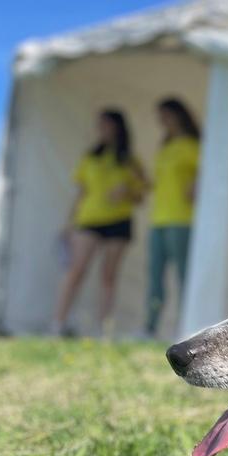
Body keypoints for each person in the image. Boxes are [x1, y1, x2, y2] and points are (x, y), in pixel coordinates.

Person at [52, 109, 146, 337]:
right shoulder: (89, 157)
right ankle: (58, 324)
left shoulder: (131, 161)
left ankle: (104, 330)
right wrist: (70, 223)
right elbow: (81, 192)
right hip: (89, 221)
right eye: (99, 124)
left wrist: (127, 192)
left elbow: (140, 196)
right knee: (76, 270)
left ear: (117, 127)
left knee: (108, 276)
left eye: (105, 124)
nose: (101, 129)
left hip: (119, 221)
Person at [146, 97, 200, 337]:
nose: (162, 121)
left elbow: (208, 171)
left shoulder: (191, 145)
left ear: (178, 115)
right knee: (155, 277)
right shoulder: (164, 147)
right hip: (158, 219)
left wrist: (196, 185)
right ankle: (150, 326)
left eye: (165, 115)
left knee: (183, 278)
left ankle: (186, 326)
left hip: (181, 220)